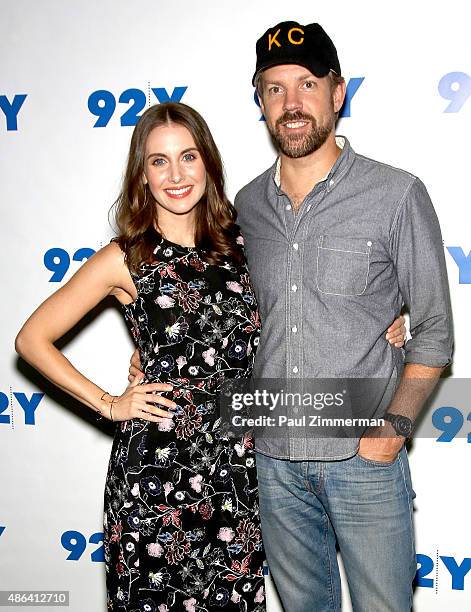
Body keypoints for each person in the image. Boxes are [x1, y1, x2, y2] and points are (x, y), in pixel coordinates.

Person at [125, 24, 418, 612]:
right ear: (259, 102)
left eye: (308, 84)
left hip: (363, 455)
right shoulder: (242, 211)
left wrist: (394, 430)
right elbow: (209, 309)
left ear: (337, 93)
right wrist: (149, 354)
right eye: (275, 88)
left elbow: (435, 328)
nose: (292, 102)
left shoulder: (396, 193)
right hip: (269, 460)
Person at [15, 102, 266, 611]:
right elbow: (32, 339)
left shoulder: (244, 245)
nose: (176, 174)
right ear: (142, 174)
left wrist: (390, 321)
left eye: (188, 156)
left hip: (239, 474)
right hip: (156, 473)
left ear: (208, 164)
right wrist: (110, 404)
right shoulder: (125, 257)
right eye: (158, 161)